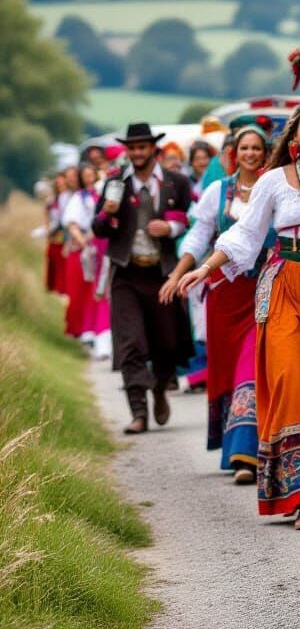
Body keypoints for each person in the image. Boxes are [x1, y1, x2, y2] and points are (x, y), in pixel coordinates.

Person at [177, 104, 300, 528]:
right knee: (293, 381)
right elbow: (245, 234)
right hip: (286, 285)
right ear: (294, 138)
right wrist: (205, 268)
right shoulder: (274, 181)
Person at [160, 126, 274, 483]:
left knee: (252, 366)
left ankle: (249, 455)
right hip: (225, 293)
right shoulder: (217, 191)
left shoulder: (275, 187)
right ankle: (237, 449)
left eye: (257, 148)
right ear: (233, 154)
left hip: (266, 289)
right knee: (226, 370)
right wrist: (178, 273)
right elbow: (197, 236)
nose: (251, 154)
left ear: (265, 153)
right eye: (245, 148)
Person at [93, 122, 194, 434]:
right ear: (127, 151)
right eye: (132, 148)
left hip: (162, 273)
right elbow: (98, 228)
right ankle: (138, 412)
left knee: (166, 343)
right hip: (126, 274)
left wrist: (170, 228)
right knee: (131, 343)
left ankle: (160, 387)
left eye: (142, 147)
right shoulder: (115, 183)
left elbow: (191, 219)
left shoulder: (176, 182)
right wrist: (108, 212)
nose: (137, 153)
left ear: (153, 149)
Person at [61, 163, 112, 360]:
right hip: (90, 247)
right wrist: (84, 242)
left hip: (104, 244)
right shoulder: (80, 197)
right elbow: (72, 224)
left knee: (105, 290)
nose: (90, 178)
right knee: (94, 290)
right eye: (86, 175)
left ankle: (103, 333)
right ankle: (93, 332)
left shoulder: (102, 193)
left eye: (92, 174)